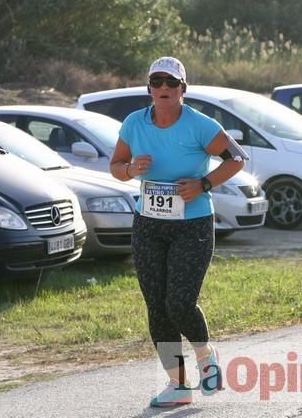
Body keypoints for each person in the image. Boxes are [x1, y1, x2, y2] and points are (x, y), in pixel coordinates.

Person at [110, 56, 246, 407]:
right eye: (158, 82)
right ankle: (178, 385)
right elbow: (115, 166)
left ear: (183, 89)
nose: (165, 88)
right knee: (156, 306)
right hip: (148, 224)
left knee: (179, 302)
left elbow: (237, 158)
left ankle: (205, 355)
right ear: (149, 88)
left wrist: (203, 183)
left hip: (193, 225)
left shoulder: (200, 125)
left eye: (172, 83)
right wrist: (129, 169)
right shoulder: (134, 123)